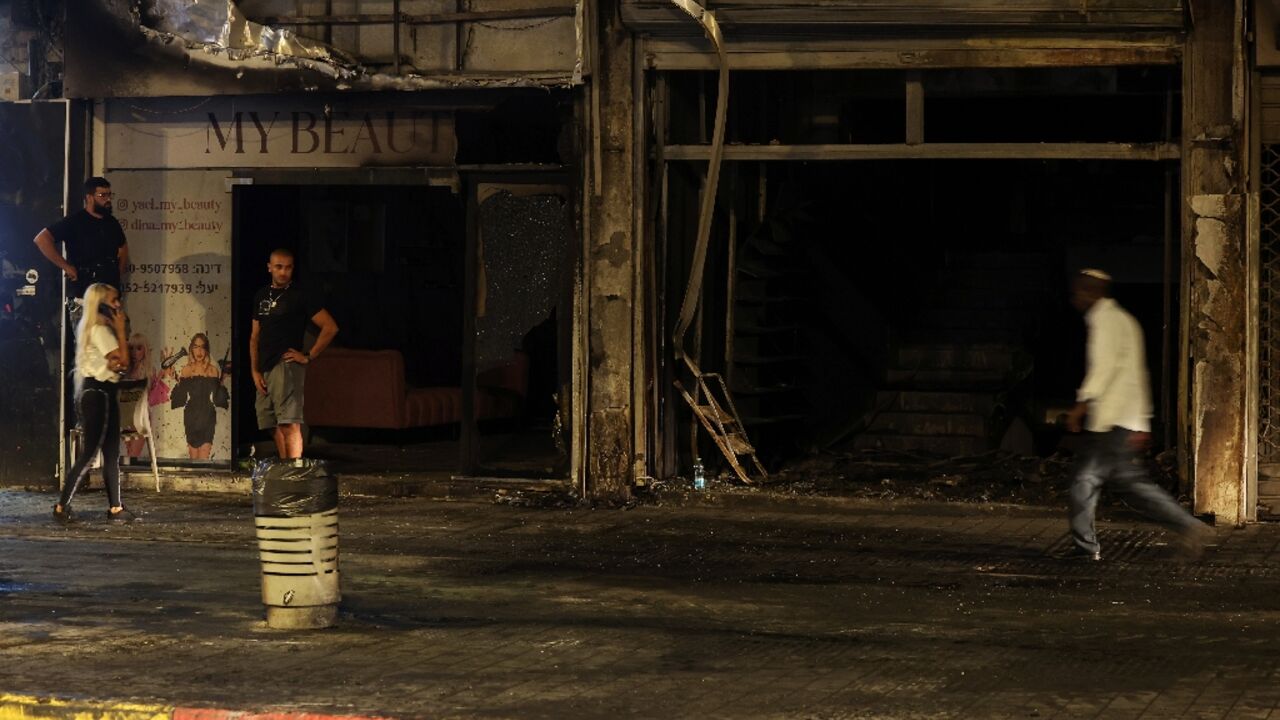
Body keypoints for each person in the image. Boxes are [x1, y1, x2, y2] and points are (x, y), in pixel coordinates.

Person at [1063, 269, 1209, 561]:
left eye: (1078, 291)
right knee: (1106, 481)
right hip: (1124, 419)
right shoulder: (1124, 321)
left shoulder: (1105, 322)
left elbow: (1102, 369)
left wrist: (1081, 405)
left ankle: (1087, 547)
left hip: (1113, 420)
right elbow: (1138, 374)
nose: (1074, 298)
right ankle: (1087, 546)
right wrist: (1143, 420)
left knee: (1098, 481)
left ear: (1091, 292)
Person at [53, 283, 136, 524]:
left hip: (100, 391)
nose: (118, 305)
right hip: (99, 393)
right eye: (113, 301)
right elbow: (122, 363)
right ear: (100, 303)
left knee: (111, 453)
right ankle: (61, 506)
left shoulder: (91, 327)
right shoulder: (99, 330)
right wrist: (121, 331)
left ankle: (116, 508)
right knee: (89, 454)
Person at [249, 249, 338, 460]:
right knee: (269, 423)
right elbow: (254, 337)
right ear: (269, 267)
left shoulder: (300, 295)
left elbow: (330, 327)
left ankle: (294, 472)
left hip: (286, 364)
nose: (283, 272)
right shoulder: (261, 295)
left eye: (288, 267)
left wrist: (308, 355)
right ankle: (285, 467)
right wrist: (254, 370)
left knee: (289, 423)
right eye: (279, 267)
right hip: (265, 366)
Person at [33, 177, 129, 299]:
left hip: (109, 290)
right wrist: (66, 267)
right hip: (84, 290)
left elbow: (123, 247)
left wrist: (117, 273)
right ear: (89, 197)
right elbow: (42, 239)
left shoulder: (112, 223)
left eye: (109, 195)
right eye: (102, 195)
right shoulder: (74, 222)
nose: (108, 199)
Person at [170, 332, 229, 459]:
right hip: (191, 415)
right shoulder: (186, 370)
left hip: (208, 414)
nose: (199, 351)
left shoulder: (213, 370)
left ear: (206, 349)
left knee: (204, 458)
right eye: (196, 347)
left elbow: (219, 398)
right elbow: (180, 395)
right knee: (193, 458)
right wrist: (175, 377)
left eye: (202, 347)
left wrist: (222, 380)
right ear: (191, 349)